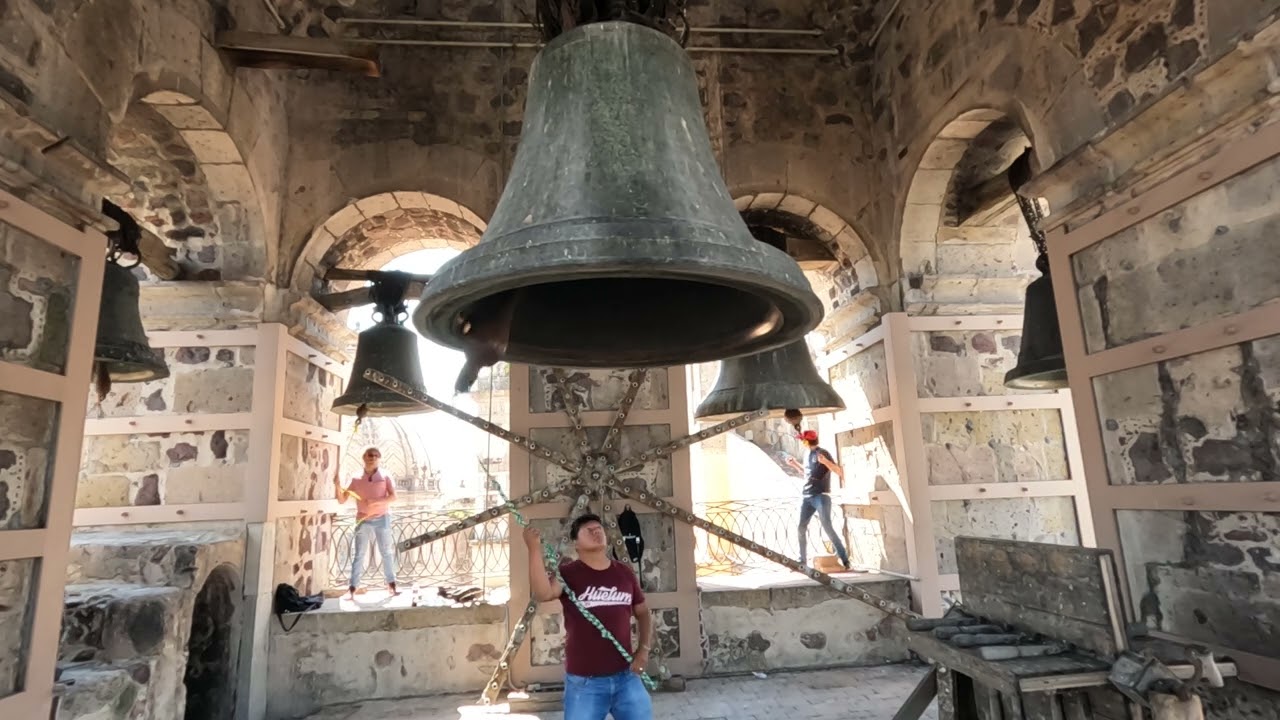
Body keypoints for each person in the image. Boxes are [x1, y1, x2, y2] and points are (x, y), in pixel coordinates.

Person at [523, 514, 653, 720]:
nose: (596, 532)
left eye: (599, 529)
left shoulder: (624, 573)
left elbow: (643, 612)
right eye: (588, 530)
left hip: (627, 677)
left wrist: (643, 650)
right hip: (584, 683)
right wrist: (533, 549)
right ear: (576, 544)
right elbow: (543, 593)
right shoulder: (567, 574)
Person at [334, 447, 398, 600]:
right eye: (370, 455)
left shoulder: (386, 476)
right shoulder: (356, 478)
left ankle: (392, 585)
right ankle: (352, 588)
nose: (373, 457)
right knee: (359, 554)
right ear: (364, 457)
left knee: (386, 552)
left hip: (382, 518)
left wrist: (376, 502)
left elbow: (393, 497)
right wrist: (337, 485)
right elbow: (342, 499)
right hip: (363, 520)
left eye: (376, 455)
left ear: (379, 458)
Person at [786, 430, 852, 571]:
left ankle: (845, 560)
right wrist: (795, 465)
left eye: (802, 440)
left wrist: (825, 461)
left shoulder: (823, 453)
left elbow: (839, 472)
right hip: (807, 496)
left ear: (806, 441)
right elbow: (809, 474)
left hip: (820, 496)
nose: (801, 442)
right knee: (801, 528)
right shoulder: (807, 455)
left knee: (828, 528)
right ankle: (801, 562)